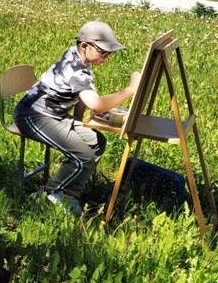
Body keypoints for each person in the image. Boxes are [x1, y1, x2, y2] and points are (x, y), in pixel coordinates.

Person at [13, 21, 141, 215]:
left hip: (55, 115)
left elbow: (80, 96)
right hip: (32, 115)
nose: (106, 58)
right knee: (84, 157)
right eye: (103, 52)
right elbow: (96, 104)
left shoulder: (78, 58)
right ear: (84, 46)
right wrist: (130, 89)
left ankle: (69, 193)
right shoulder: (77, 69)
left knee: (97, 142)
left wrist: (80, 121)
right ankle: (47, 192)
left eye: (110, 53)